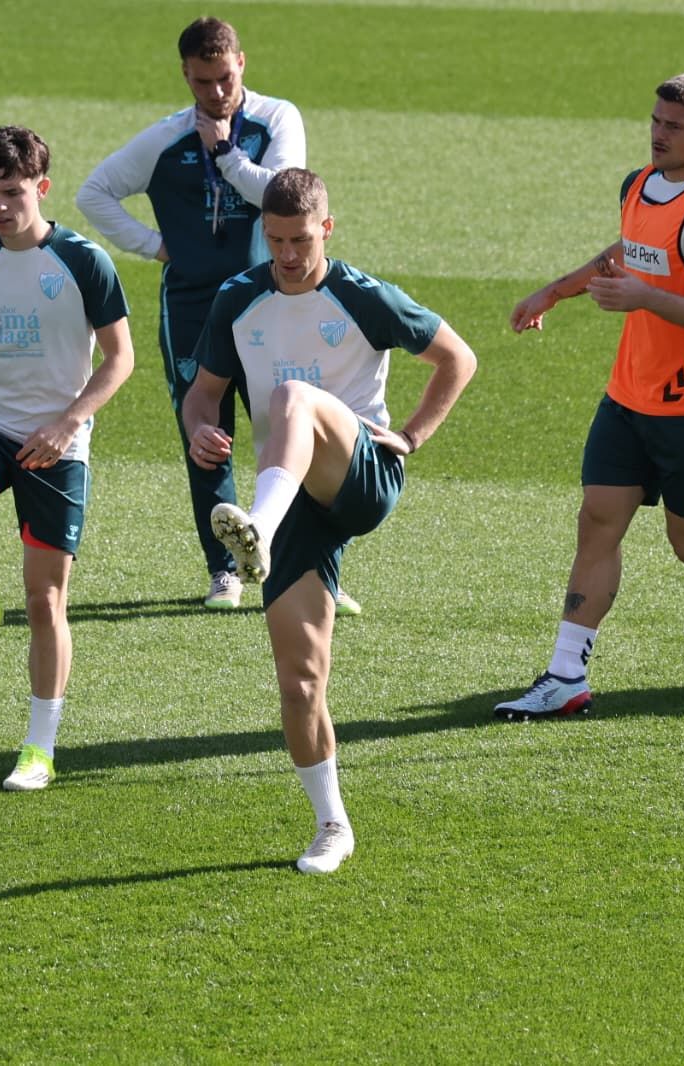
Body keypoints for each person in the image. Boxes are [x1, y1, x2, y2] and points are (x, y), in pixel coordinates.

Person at [184, 168, 476, 873]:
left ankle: (257, 527)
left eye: (302, 240)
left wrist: (411, 436)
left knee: (293, 396)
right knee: (300, 682)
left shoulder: (361, 295)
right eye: (276, 240)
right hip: (291, 500)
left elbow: (457, 359)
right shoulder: (237, 299)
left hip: (360, 478)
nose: (288, 255)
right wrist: (199, 429)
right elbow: (203, 393)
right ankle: (332, 825)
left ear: (327, 229)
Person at [495, 71, 684, 722]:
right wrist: (554, 292)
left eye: (674, 126)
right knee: (598, 519)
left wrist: (645, 298)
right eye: (655, 120)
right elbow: (629, 248)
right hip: (632, 394)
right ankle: (566, 675)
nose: (658, 134)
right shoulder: (639, 183)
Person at [80, 17, 364, 616]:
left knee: (292, 433)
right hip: (192, 305)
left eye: (225, 78)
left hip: (271, 303)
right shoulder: (165, 138)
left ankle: (314, 569)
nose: (215, 92)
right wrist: (158, 247)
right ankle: (225, 569)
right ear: (185, 74)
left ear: (242, 64)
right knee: (204, 435)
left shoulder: (276, 119)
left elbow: (280, 194)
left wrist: (225, 154)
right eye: (202, 81)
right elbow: (94, 193)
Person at [0, 126, 134, 791]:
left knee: (45, 602)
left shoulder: (84, 261)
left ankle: (39, 749)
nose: (0, 206)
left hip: (58, 442)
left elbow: (121, 358)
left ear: (41, 187)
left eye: (12, 192)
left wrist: (68, 424)